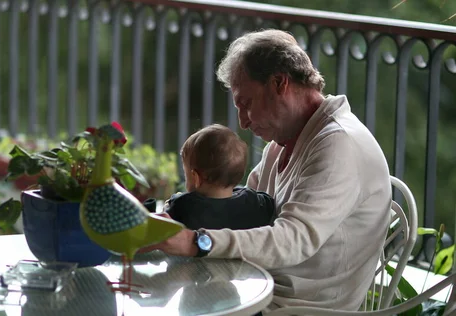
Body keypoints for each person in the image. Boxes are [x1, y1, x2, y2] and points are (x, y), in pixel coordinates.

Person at [143, 29, 391, 312]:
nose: (243, 122)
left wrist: (196, 241)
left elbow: (293, 239)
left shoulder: (339, 143)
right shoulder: (283, 142)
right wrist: (168, 221)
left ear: (278, 83)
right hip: (254, 288)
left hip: (296, 308)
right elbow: (242, 214)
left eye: (245, 104)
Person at [164, 124, 275, 231]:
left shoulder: (182, 206)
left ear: (196, 178)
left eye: (186, 173)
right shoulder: (254, 202)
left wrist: (168, 206)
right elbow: (269, 205)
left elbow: (165, 223)